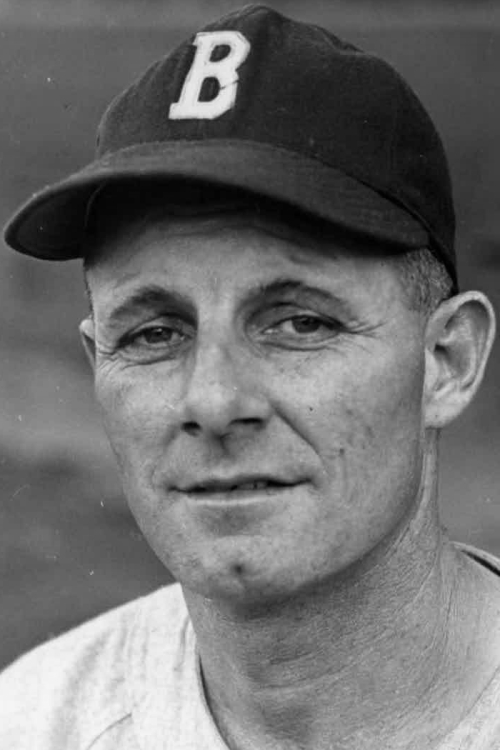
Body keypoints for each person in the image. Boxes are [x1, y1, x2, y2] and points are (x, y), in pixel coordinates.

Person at [1, 4, 499, 749]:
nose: (213, 400)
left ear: (447, 361)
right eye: (154, 334)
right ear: (96, 363)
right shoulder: (31, 724)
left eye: (300, 323)